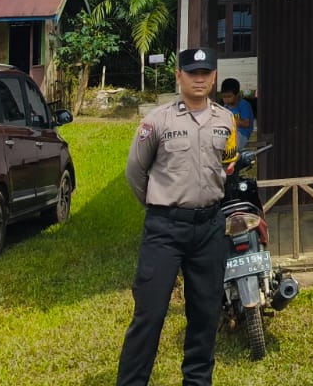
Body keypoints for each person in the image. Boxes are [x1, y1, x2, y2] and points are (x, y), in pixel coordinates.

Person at [116, 47, 237, 386]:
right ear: (178, 76)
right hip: (165, 230)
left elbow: (226, 166)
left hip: (209, 229)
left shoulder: (225, 120)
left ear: (213, 77)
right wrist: (160, 208)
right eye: (192, 73)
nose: (199, 79)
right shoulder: (157, 121)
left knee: (205, 314)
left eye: (205, 73)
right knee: (150, 314)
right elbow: (135, 173)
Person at [220, 78, 255, 149]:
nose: (226, 99)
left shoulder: (243, 105)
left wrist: (227, 119)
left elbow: (246, 123)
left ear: (237, 95)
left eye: (229, 96)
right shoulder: (226, 106)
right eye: (224, 97)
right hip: (228, 134)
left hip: (242, 136)